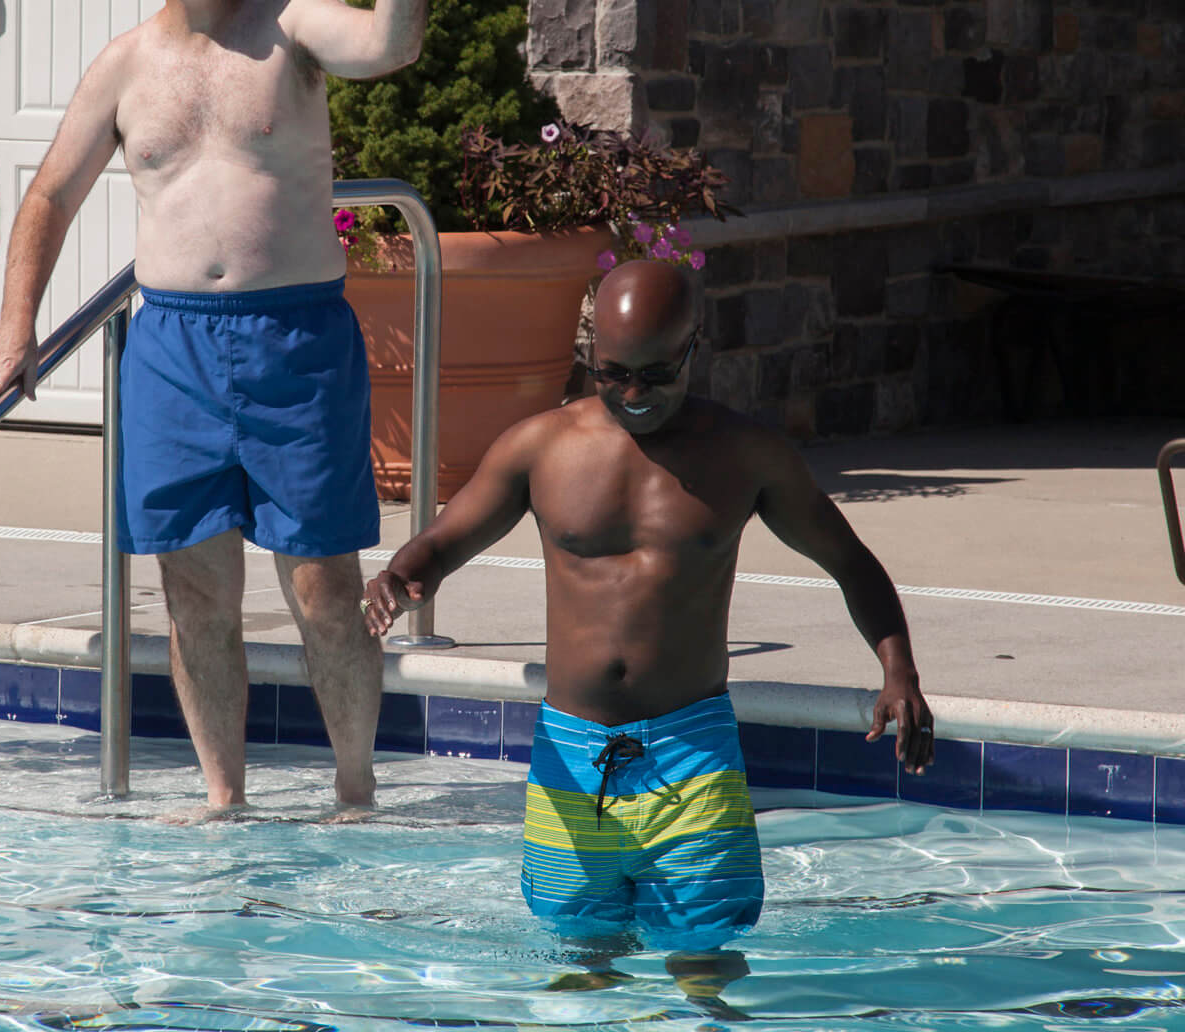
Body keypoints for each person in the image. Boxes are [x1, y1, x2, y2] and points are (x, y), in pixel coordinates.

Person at [0, 0, 426, 819]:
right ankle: (227, 801)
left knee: (324, 591)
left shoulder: (289, 24)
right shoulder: (124, 67)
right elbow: (49, 195)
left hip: (296, 343)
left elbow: (389, 46)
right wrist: (15, 327)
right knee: (195, 596)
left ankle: (355, 793)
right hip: (173, 350)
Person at [362, 258, 934, 988]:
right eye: (614, 373)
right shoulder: (539, 448)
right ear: (590, 354)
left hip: (692, 752)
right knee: (580, 965)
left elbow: (850, 562)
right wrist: (399, 578)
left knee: (705, 965)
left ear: (695, 347)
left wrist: (898, 672)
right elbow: (441, 545)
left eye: (658, 375)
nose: (634, 394)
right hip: (571, 756)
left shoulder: (745, 455)